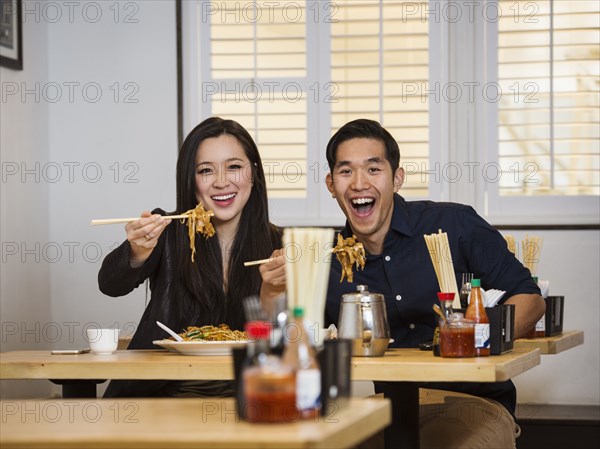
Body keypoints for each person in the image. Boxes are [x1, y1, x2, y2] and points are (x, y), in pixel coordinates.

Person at [323, 118, 545, 448]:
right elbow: (294, 333)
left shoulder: (454, 225)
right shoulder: (328, 259)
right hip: (387, 409)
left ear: (397, 178)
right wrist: (277, 289)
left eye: (373, 169)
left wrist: (478, 338)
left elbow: (530, 298)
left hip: (473, 406)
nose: (358, 183)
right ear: (331, 184)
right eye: (346, 171)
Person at [98, 117, 282, 397]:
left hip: (248, 397)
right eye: (206, 170)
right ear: (191, 180)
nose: (221, 182)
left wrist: (273, 292)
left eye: (234, 167)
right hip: (159, 396)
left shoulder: (279, 244)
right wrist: (137, 251)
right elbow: (110, 285)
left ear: (253, 173)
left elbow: (284, 342)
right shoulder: (169, 231)